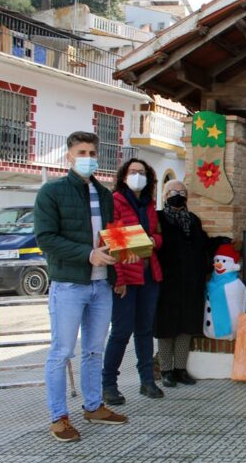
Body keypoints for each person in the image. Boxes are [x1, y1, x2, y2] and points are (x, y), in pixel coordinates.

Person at [34, 131, 128, 442]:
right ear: (69, 156)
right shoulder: (52, 192)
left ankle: (93, 406)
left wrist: (122, 263)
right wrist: (88, 255)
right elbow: (46, 239)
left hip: (102, 286)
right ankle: (58, 417)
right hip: (70, 284)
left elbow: (111, 234)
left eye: (92, 152)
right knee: (61, 352)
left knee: (93, 351)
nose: (87, 157)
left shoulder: (103, 193)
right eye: (81, 152)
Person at [102, 159, 164, 405]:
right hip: (126, 275)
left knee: (145, 330)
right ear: (124, 175)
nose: (138, 176)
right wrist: (118, 277)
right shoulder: (114, 201)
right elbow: (112, 239)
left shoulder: (149, 204)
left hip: (149, 274)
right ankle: (109, 384)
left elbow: (158, 236)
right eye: (133, 172)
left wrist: (151, 240)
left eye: (142, 172)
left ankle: (147, 380)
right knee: (120, 332)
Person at [154, 180, 211, 387]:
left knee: (186, 327)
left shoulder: (193, 220)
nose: (177, 195)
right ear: (164, 195)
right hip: (167, 282)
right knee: (166, 328)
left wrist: (223, 243)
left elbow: (203, 243)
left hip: (190, 282)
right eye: (172, 191)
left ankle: (180, 369)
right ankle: (166, 370)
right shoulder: (159, 218)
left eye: (181, 192)